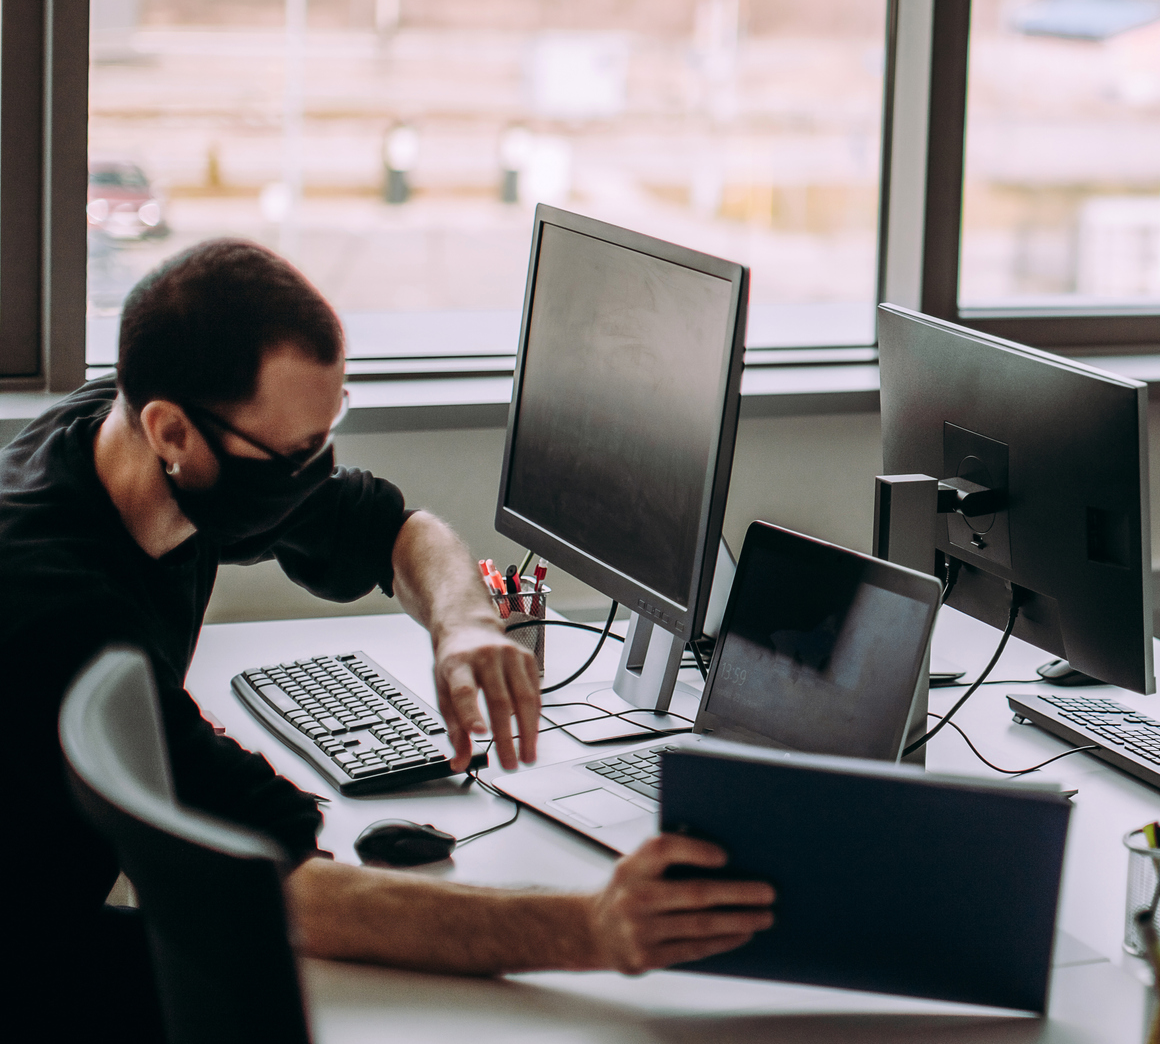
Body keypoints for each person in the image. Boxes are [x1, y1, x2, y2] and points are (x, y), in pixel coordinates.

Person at [2, 240, 771, 1038]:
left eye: (328, 431)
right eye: (295, 454)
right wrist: (591, 930)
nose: (315, 473)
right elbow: (280, 887)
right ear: (171, 433)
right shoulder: (50, 602)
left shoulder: (131, 443)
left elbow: (395, 532)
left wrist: (464, 626)